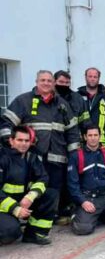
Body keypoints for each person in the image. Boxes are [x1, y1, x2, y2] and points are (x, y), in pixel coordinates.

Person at [0, 70, 80, 216]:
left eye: (49, 81)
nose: (46, 83)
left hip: (57, 156)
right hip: (31, 156)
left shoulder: (62, 104)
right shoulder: (23, 101)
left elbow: (73, 130)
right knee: (32, 189)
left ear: (54, 83)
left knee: (54, 190)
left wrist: (74, 154)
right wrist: (10, 144)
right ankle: (24, 215)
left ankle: (49, 219)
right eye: (42, 80)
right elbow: (6, 123)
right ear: (36, 82)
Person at [0, 126, 58, 245]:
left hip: (22, 202)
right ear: (11, 141)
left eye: (26, 141)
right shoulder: (2, 158)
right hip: (3, 206)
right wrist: (15, 208)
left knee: (51, 194)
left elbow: (43, 178)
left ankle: (34, 234)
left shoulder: (31, 157)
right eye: (19, 140)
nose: (24, 144)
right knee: (11, 232)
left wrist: (31, 196)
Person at [78, 67, 105, 148]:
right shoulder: (77, 97)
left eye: (95, 77)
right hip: (81, 143)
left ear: (99, 78)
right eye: (90, 76)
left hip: (102, 145)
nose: (92, 79)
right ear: (85, 77)